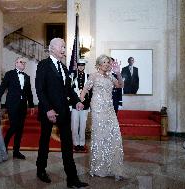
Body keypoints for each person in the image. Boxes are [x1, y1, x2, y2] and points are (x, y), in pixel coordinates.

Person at [35, 38, 89, 188]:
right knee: (44, 142)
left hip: (64, 111)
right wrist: (48, 109)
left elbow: (69, 89)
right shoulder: (43, 65)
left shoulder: (64, 68)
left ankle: (72, 178)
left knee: (67, 144)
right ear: (52, 48)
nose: (64, 49)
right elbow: (40, 90)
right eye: (62, 47)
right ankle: (40, 170)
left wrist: (77, 100)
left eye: (65, 47)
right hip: (49, 112)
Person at [80, 54, 125, 181]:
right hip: (98, 108)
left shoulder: (111, 77)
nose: (107, 64)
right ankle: (98, 167)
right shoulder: (93, 76)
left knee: (113, 134)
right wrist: (79, 102)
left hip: (109, 108)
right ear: (99, 64)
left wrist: (118, 73)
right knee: (100, 136)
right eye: (104, 62)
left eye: (108, 62)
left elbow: (120, 85)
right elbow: (85, 89)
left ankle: (111, 167)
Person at [0, 57, 34, 160]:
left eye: (24, 63)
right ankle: (4, 146)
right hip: (12, 104)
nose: (23, 64)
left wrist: (31, 105)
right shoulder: (9, 74)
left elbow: (29, 92)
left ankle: (16, 151)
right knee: (14, 126)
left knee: (20, 129)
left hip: (22, 105)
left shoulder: (27, 77)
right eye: (21, 62)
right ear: (16, 63)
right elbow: (2, 88)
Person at [71, 58, 92, 152]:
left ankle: (82, 144)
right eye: (79, 65)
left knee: (83, 125)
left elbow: (90, 92)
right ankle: (75, 143)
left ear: (84, 66)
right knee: (75, 125)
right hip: (75, 104)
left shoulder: (89, 77)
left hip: (85, 105)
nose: (80, 67)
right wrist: (76, 101)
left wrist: (85, 103)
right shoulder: (72, 76)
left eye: (82, 65)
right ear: (77, 66)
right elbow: (70, 91)